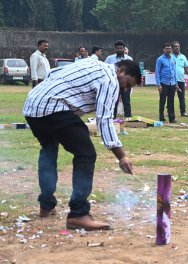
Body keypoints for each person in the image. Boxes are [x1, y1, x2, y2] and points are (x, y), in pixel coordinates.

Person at [23, 59, 141, 231]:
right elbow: (105, 120)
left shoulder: (92, 63)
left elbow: (52, 74)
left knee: (49, 149)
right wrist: (121, 156)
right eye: (127, 84)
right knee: (86, 154)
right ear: (122, 70)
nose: (124, 89)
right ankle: (78, 214)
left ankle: (46, 204)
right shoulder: (110, 78)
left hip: (33, 106)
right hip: (53, 107)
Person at [105, 40, 134, 118]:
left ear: (124, 49)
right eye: (117, 48)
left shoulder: (129, 58)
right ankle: (112, 117)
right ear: (115, 49)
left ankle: (128, 118)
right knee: (113, 101)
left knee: (126, 101)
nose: (119, 50)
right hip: (114, 83)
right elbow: (105, 69)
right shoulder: (109, 58)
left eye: (121, 48)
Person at [156, 43, 179, 123]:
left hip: (172, 83)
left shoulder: (173, 58)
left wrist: (176, 83)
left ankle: (172, 118)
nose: (168, 50)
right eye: (167, 48)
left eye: (169, 48)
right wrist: (159, 85)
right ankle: (162, 118)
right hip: (163, 83)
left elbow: (174, 71)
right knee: (162, 101)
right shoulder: (160, 59)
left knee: (171, 101)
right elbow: (157, 72)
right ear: (163, 50)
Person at [171, 41, 188, 117]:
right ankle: (169, 111)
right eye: (175, 46)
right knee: (171, 96)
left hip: (180, 80)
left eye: (178, 46)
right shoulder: (169, 56)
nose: (177, 48)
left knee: (181, 97)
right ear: (172, 48)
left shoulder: (183, 57)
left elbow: (186, 67)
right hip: (171, 80)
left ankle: (183, 112)